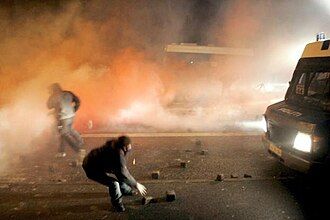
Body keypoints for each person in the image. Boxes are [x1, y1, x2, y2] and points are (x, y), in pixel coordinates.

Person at [82, 136, 147, 212]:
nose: (130, 147)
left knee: (119, 175)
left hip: (97, 164)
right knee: (114, 183)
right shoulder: (117, 153)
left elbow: (120, 173)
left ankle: (126, 191)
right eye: (129, 145)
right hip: (91, 169)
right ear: (125, 146)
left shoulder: (115, 146)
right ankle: (117, 204)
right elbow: (123, 173)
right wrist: (136, 184)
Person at [47, 83, 84, 159]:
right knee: (68, 130)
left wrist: (51, 97)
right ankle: (63, 151)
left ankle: (78, 150)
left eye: (50, 90)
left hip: (63, 118)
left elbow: (49, 106)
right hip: (71, 115)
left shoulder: (54, 96)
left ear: (53, 90)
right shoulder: (68, 93)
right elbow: (78, 101)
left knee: (64, 133)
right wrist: (74, 109)